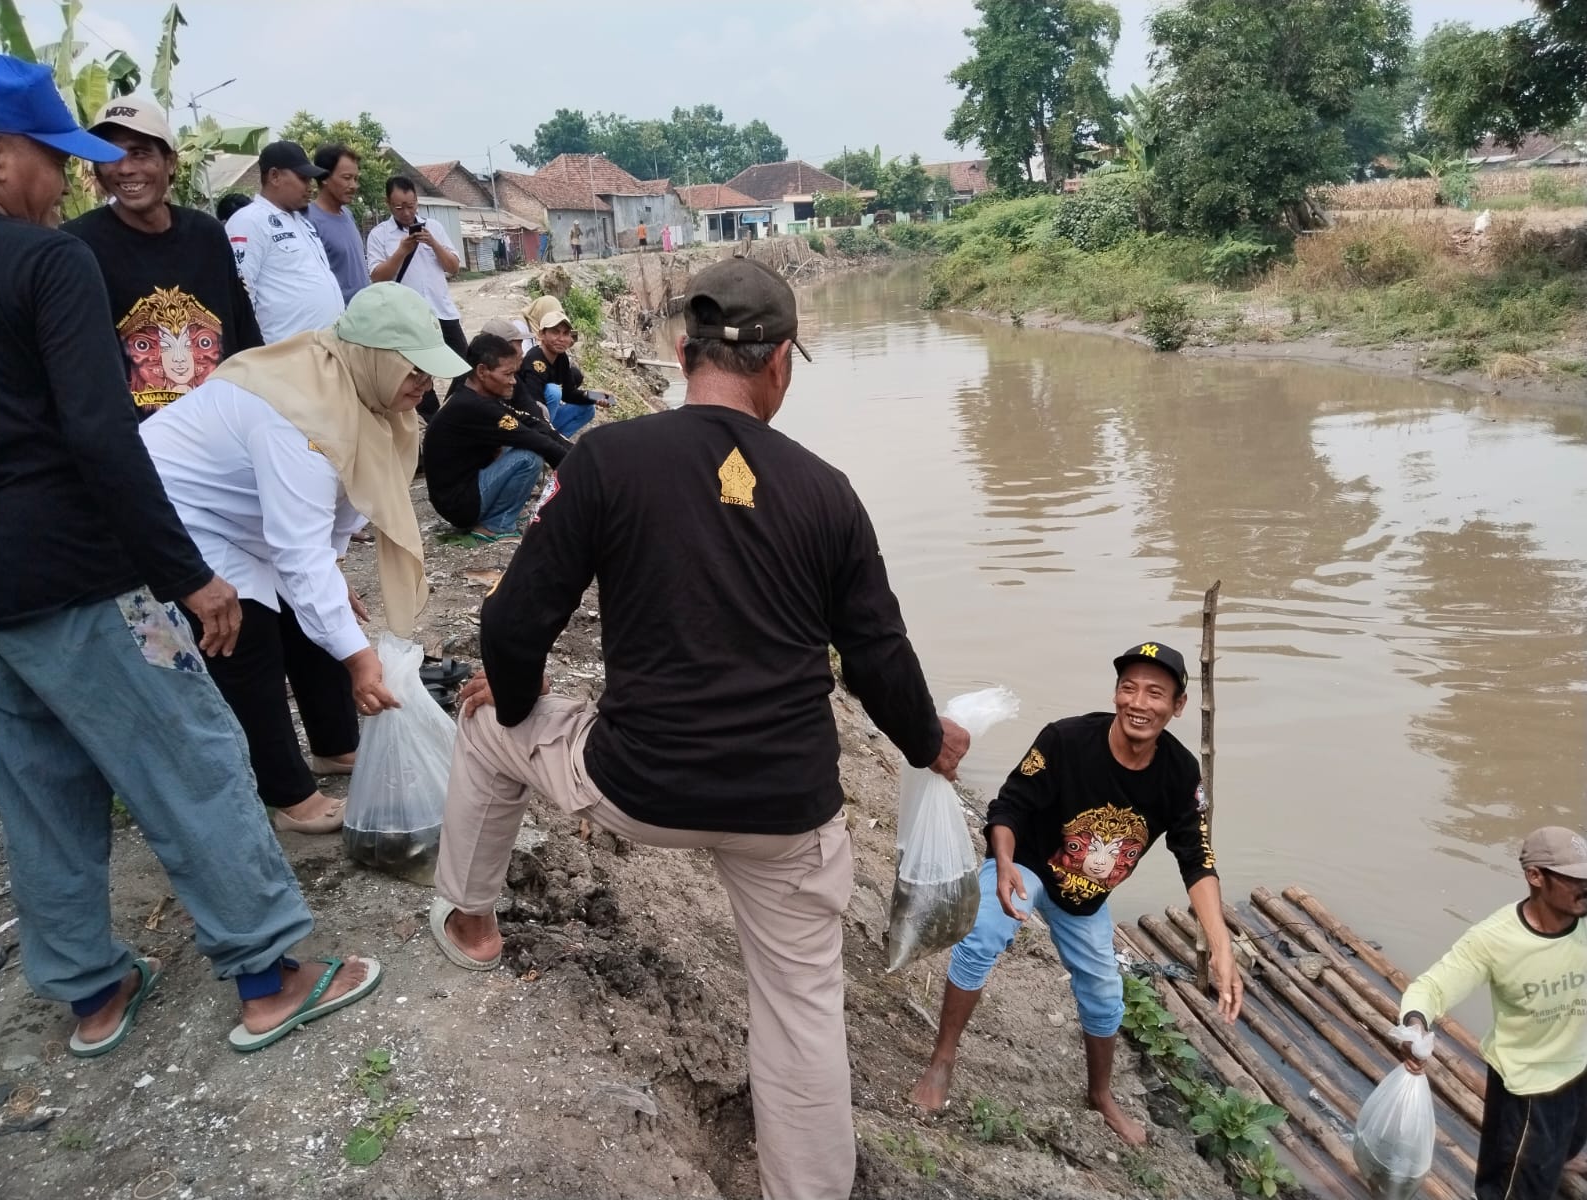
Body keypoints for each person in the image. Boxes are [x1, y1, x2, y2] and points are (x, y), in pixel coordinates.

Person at [429, 256, 970, 1200]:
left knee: (485, 723)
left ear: (682, 355)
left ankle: (471, 920)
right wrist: (929, 743)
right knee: (802, 1008)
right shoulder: (829, 492)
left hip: (638, 785)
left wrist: (518, 699)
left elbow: (511, 626)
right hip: (787, 808)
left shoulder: (605, 459)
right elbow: (877, 658)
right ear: (782, 365)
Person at [0, 54, 380, 1057]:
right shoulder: (48, 261)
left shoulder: (175, 241)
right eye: (53, 156)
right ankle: (269, 974)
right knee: (194, 755)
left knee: (39, 792)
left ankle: (92, 991)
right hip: (84, 572)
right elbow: (101, 434)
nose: (68, 179)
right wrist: (189, 575)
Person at [139, 283, 467, 834]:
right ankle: (287, 794)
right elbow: (298, 548)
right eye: (413, 371)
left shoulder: (360, 390)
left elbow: (340, 505)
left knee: (318, 618)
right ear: (376, 359)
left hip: (248, 517)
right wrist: (358, 658)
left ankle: (335, 745)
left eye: (428, 372)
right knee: (248, 634)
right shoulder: (301, 417)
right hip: (178, 511)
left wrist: (331, 581)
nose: (424, 385)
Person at [911, 642, 1242, 1146]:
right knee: (982, 936)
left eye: (1155, 693)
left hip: (1086, 897)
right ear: (1115, 694)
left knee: (1105, 996)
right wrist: (1003, 862)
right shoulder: (1065, 740)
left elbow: (1196, 858)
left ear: (1177, 706)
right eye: (1128, 688)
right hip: (1025, 865)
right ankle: (942, 1060)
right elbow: (1009, 807)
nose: (1138, 702)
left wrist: (1220, 945)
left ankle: (1101, 1094)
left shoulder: (1179, 774)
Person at [1394, 826, 1587, 1200]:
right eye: (1575, 879)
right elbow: (1431, 987)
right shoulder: (1495, 939)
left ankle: (1561, 1159)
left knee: (1568, 1142)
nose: (1586, 886)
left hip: (1579, 1067)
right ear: (1535, 876)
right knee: (1515, 1186)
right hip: (1529, 1085)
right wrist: (1414, 1025)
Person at [63, 98, 262, 419]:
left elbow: (245, 333)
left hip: (222, 425)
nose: (125, 168)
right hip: (139, 437)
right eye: (110, 155)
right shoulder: (77, 246)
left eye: (140, 153)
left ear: (170, 162)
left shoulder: (206, 235)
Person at [424, 333, 572, 542]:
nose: (513, 381)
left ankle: (498, 514)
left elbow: (531, 423)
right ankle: (496, 525)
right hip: (459, 503)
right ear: (482, 371)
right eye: (507, 374)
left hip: (468, 486)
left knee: (523, 443)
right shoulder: (473, 407)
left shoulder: (479, 396)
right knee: (529, 457)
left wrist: (576, 451)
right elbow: (533, 439)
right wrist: (576, 468)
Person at [224, 141, 345, 343]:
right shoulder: (249, 221)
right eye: (303, 178)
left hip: (324, 347)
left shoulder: (301, 222)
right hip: (286, 352)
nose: (310, 187)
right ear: (275, 176)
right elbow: (240, 297)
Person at [366, 175, 464, 419]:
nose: (407, 213)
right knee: (417, 375)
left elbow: (453, 267)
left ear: (417, 201)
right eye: (399, 207)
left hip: (442, 312)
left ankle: (449, 412)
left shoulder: (435, 227)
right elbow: (378, 277)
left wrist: (433, 244)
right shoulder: (379, 235)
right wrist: (401, 251)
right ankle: (432, 420)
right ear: (388, 204)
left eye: (411, 206)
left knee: (465, 365)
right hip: (407, 319)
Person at [516, 295, 612, 438]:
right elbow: (534, 404)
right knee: (553, 391)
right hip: (526, 423)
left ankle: (553, 440)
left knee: (588, 409)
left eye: (565, 333)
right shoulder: (534, 360)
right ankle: (547, 441)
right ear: (542, 334)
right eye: (555, 332)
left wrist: (596, 395)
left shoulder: (561, 358)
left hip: (546, 418)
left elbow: (569, 394)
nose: (561, 339)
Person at [306, 143, 370, 304]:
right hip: (337, 315)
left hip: (363, 311)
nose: (354, 186)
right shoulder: (308, 221)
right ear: (324, 178)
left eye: (355, 179)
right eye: (347, 178)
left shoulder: (347, 214)